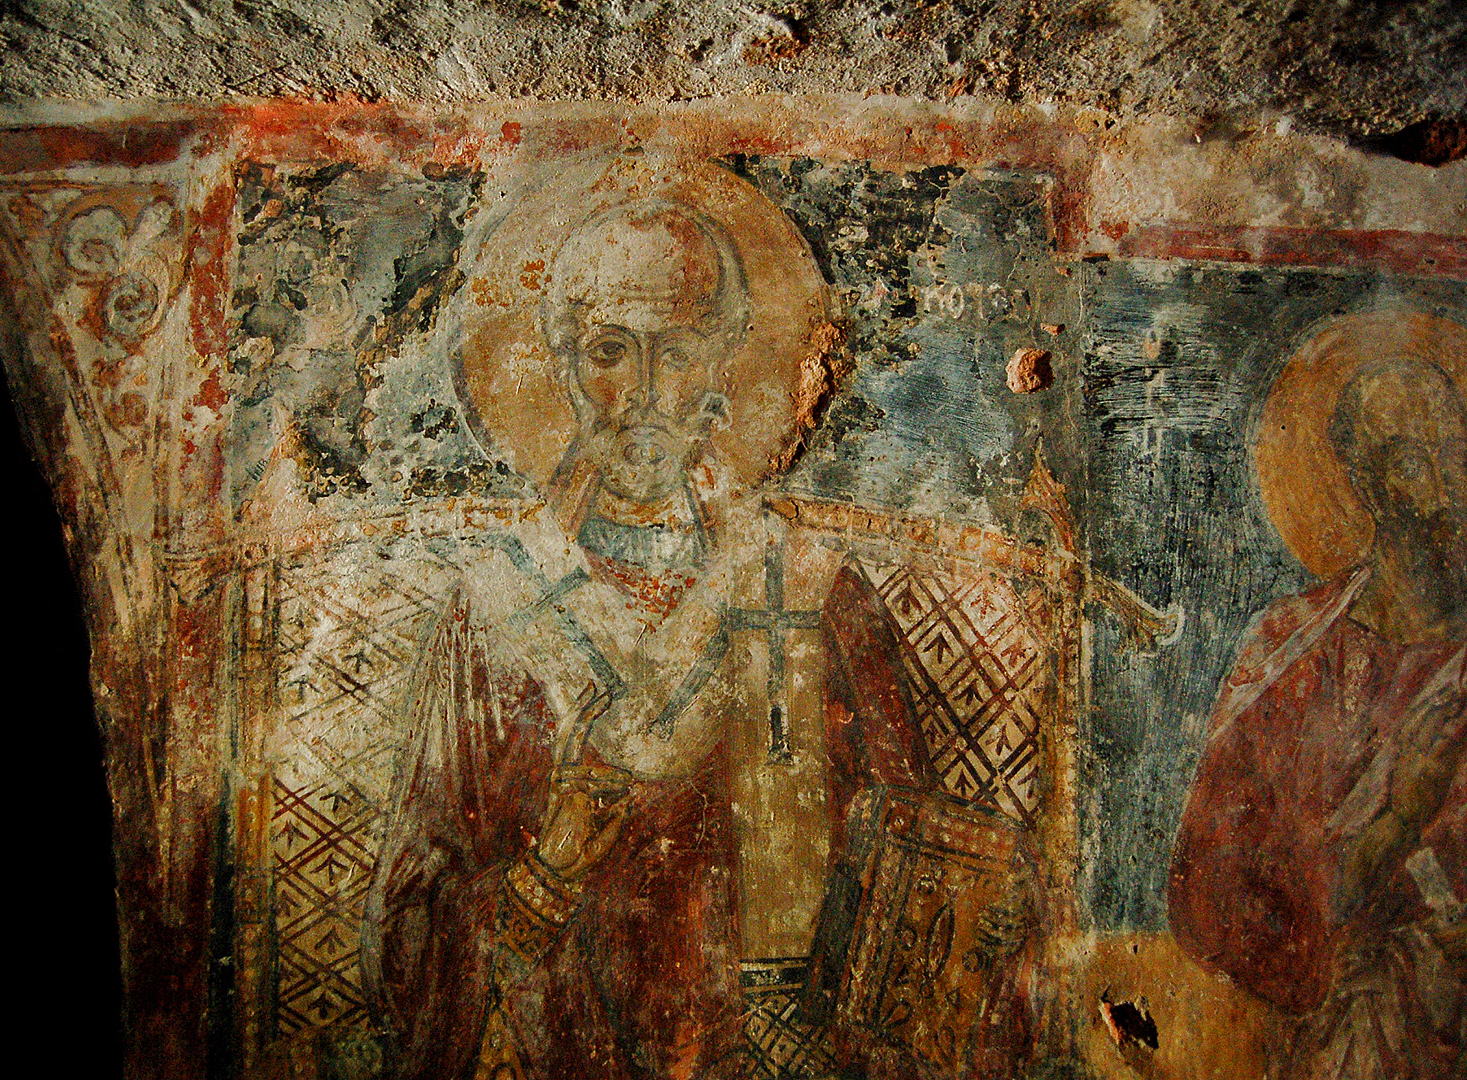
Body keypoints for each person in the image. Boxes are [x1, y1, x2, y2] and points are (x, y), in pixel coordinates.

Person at [359, 196, 1038, 1080]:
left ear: (722, 365)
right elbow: (408, 922)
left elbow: (920, 856)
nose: (641, 393)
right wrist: (538, 881)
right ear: (564, 369)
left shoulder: (809, 588)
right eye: (609, 351)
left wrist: (989, 908)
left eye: (675, 352)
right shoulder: (491, 614)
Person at [1168, 356, 1466, 1079]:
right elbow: (1209, 883)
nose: (1446, 489)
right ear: (1363, 483)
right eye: (1408, 460)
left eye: (1455, 453)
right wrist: (1386, 834)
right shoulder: (1290, 651)